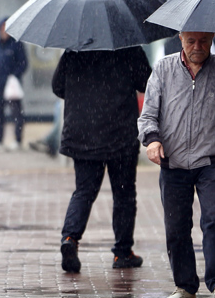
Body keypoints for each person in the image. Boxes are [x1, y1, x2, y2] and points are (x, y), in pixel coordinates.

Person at [138, 31, 215, 298]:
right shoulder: (163, 68)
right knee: (176, 226)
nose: (198, 47)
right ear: (181, 38)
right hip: (172, 162)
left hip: (210, 159)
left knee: (213, 218)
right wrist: (151, 140)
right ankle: (185, 287)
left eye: (203, 41)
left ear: (211, 38)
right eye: (191, 41)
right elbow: (148, 113)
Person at [55, 46, 151, 274]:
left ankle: (70, 238)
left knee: (84, 191)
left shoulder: (74, 51)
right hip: (120, 134)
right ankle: (123, 252)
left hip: (83, 134)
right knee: (124, 194)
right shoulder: (128, 48)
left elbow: (58, 87)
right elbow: (146, 82)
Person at [0, 17, 28, 151]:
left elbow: (23, 63)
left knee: (16, 113)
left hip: (11, 85)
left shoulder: (16, 44)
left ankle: (17, 140)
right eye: (2, 27)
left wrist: (14, 76)